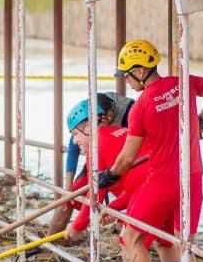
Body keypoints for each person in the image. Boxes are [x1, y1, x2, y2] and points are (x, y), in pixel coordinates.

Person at [99, 39, 203, 262]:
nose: (127, 83)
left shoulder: (141, 106)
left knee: (130, 237)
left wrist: (108, 175)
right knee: (186, 246)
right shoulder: (184, 83)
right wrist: (202, 118)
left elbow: (127, 157)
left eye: (127, 76)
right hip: (192, 178)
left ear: (139, 71)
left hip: (162, 181)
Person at [52, 97, 147, 247]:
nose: (75, 141)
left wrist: (77, 226)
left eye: (75, 134)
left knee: (130, 244)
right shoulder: (117, 132)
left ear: (89, 126)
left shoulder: (96, 147)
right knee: (168, 245)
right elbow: (136, 185)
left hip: (147, 193)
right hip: (161, 185)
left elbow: (95, 194)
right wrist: (112, 209)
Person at [63, 91, 133, 189]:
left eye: (108, 119)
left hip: (127, 154)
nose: (105, 122)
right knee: (79, 185)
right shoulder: (88, 113)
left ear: (112, 112)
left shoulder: (130, 112)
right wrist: (68, 186)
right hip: (101, 150)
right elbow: (73, 150)